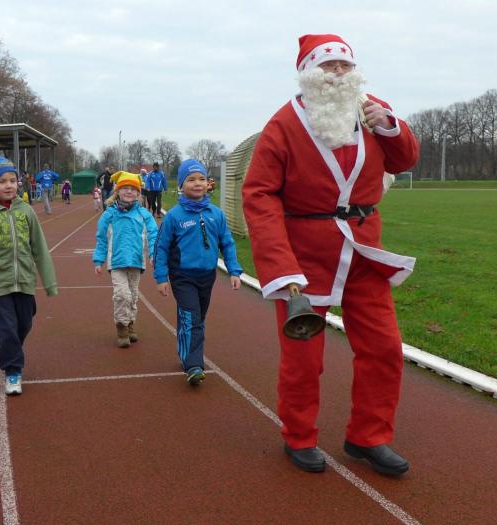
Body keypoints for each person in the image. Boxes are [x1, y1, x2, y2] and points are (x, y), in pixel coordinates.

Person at [241, 34, 420, 475]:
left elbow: (404, 161)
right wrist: (281, 268)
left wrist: (392, 127)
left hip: (363, 252)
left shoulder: (372, 110)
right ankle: (299, 436)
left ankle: (369, 436)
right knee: (304, 358)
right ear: (308, 72)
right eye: (328, 65)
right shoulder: (283, 125)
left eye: (345, 65)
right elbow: (259, 194)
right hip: (304, 257)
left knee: (384, 347)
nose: (338, 73)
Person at [0, 156, 58, 396]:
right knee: (8, 328)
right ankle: (13, 371)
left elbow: (39, 247)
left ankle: (7, 345)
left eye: (12, 180)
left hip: (25, 280)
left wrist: (49, 283)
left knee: (25, 323)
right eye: (2, 181)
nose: (9, 185)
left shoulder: (26, 211)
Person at [154, 159, 243, 385]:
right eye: (191, 180)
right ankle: (194, 364)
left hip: (207, 276)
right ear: (181, 185)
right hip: (182, 276)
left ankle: (186, 349)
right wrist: (161, 277)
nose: (197, 183)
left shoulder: (216, 214)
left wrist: (234, 270)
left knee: (198, 318)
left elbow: (227, 243)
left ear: (208, 183)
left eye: (201, 179)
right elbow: (161, 247)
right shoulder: (174, 216)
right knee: (192, 317)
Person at [93, 172, 158, 348]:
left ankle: (130, 324)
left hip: (136, 262)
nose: (129, 191)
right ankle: (121, 327)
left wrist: (153, 254)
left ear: (138, 193)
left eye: (133, 189)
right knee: (122, 295)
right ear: (117, 191)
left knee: (133, 296)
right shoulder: (109, 215)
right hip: (117, 262)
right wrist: (98, 260)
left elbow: (153, 235)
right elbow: (101, 239)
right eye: (125, 188)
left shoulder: (144, 215)